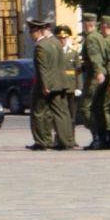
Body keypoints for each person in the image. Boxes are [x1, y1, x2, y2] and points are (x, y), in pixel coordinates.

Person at [28, 17, 62, 151]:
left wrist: (45, 85)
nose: (31, 35)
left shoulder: (40, 46)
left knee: (37, 112)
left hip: (42, 84)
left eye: (31, 32)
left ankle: (40, 141)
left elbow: (42, 68)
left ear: (37, 32)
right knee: (47, 113)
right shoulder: (53, 43)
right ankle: (47, 139)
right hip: (54, 83)